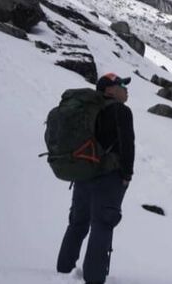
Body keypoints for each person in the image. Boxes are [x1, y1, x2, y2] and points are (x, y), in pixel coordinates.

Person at [56, 73, 135, 284]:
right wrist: (127, 174)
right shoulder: (121, 111)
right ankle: (94, 278)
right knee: (102, 224)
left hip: (83, 173)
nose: (126, 89)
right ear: (109, 90)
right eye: (121, 85)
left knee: (78, 223)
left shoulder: (88, 109)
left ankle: (62, 272)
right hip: (108, 177)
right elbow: (127, 145)